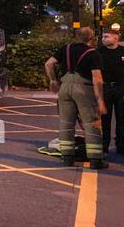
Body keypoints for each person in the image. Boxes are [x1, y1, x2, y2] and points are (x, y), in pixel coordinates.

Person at [44, 26, 107, 169]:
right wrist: (100, 99)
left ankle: (67, 158)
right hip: (84, 89)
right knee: (91, 124)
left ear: (77, 37)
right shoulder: (93, 53)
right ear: (92, 38)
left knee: (66, 123)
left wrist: (53, 80)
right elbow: (97, 78)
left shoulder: (65, 49)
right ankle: (96, 160)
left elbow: (49, 63)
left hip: (65, 87)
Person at [98, 25, 124, 156]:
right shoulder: (99, 52)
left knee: (122, 118)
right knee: (105, 119)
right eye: (103, 37)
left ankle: (122, 146)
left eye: (106, 37)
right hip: (106, 87)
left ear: (116, 38)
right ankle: (104, 145)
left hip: (122, 88)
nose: (103, 39)